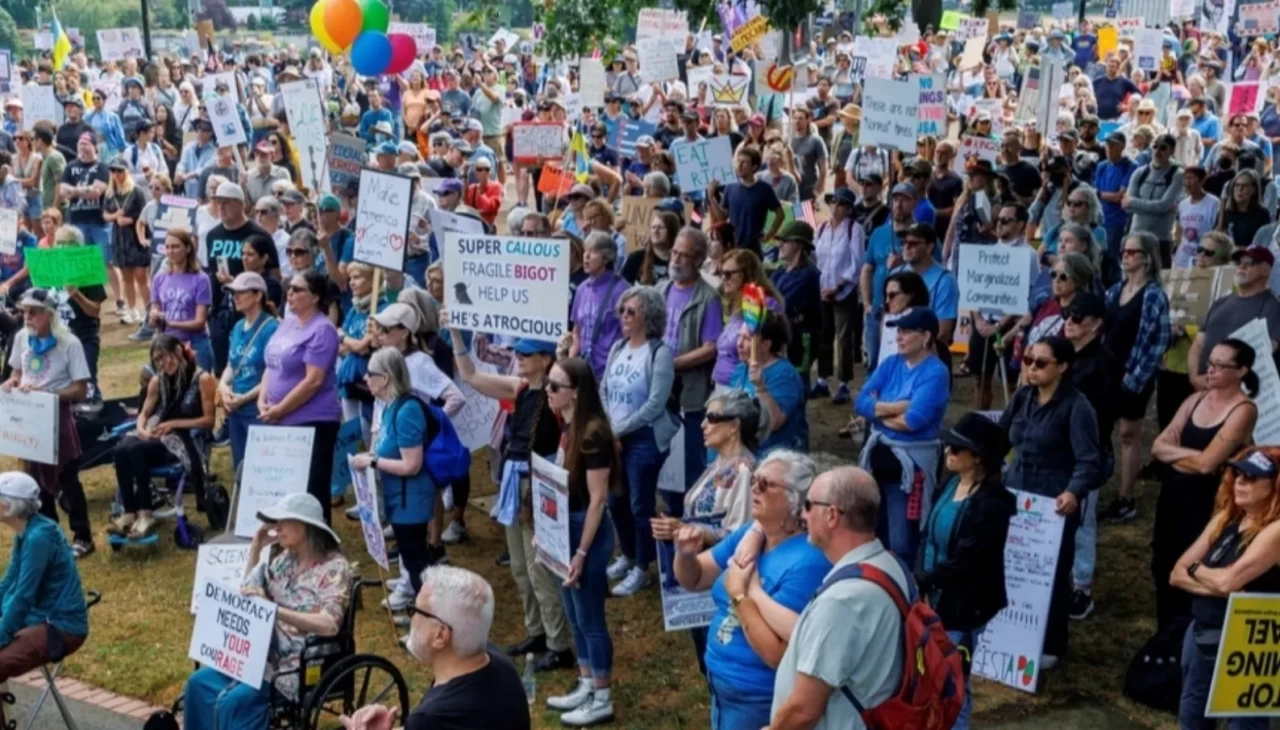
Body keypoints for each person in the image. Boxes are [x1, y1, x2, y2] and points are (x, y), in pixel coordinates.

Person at [444, 328, 573, 672]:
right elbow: (470, 376)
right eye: (520, 352)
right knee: (519, 565)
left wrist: (565, 354)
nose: (519, 357)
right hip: (515, 480)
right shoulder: (519, 388)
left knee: (539, 567)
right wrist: (457, 337)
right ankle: (537, 630)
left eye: (527, 354)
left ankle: (558, 642)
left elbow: (577, 385)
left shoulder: (556, 394)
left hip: (538, 483)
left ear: (545, 361)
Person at [672, 451, 830, 730]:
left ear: (794, 501)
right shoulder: (751, 534)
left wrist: (741, 592)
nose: (753, 488)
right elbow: (694, 579)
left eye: (766, 484)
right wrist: (684, 555)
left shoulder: (808, 561)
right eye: (755, 480)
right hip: (722, 683)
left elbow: (776, 655)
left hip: (756, 696)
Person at [183, 493, 351, 730]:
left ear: (305, 525)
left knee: (233, 703)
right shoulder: (284, 560)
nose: (276, 527)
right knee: (197, 683)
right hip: (259, 652)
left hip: (300, 663)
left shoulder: (334, 568)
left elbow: (329, 624)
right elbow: (249, 596)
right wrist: (256, 547)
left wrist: (275, 611)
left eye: (283, 521)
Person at [766, 466, 911, 729]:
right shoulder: (891, 566)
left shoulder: (842, 601)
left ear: (832, 514)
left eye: (809, 505)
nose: (802, 514)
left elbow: (804, 709)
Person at [1001, 336, 1101, 666]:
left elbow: (1089, 460)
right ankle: (1009, 629)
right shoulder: (1022, 398)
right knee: (1013, 563)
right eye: (1029, 360)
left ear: (1062, 367)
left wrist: (1073, 492)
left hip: (1052, 498)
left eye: (1041, 363)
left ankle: (1051, 643)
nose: (1031, 368)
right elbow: (1001, 438)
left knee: (1053, 571)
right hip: (1016, 488)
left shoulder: (1077, 407)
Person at [1150, 338, 1258, 631]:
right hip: (1173, 495)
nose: (1210, 370)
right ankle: (1166, 633)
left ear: (1241, 371)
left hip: (1209, 502)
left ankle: (1189, 632)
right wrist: (1197, 459)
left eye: (1220, 366)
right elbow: (1158, 446)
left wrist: (1179, 456)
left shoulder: (1242, 410)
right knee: (1162, 564)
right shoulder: (1194, 399)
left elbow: (1207, 465)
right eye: (1209, 363)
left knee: (1196, 565)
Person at [1170, 446, 1280, 730]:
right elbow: (1177, 573)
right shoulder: (1227, 517)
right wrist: (1212, 583)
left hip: (1246, 644)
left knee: (1244, 724)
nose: (1241, 482)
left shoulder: (1275, 530)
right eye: (1239, 474)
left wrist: (1199, 571)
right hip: (1202, 632)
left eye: (1253, 477)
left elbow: (1229, 580)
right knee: (1191, 717)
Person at [918, 414, 1016, 729]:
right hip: (935, 595)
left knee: (954, 681)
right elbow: (927, 534)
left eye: (957, 449)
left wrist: (927, 578)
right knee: (935, 675)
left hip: (963, 604)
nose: (948, 452)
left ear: (977, 458)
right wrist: (922, 574)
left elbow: (968, 560)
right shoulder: (949, 485)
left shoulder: (992, 504)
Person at [344, 566, 531, 730]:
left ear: (440, 635)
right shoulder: (500, 664)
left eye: (416, 610)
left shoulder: (430, 718)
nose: (411, 618)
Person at [537, 357, 620, 726]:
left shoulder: (593, 434)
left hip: (585, 530)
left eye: (555, 386)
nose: (548, 391)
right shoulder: (569, 426)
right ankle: (587, 681)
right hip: (565, 528)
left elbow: (598, 499)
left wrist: (582, 553)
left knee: (590, 617)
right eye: (548, 384)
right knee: (573, 614)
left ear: (576, 392)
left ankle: (602, 694)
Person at [0, 289, 95, 557]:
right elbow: (18, 371)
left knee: (68, 478)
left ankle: (83, 536)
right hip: (30, 418)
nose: (27, 317)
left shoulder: (69, 343)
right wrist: (13, 382)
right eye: (24, 312)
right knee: (36, 482)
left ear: (49, 315)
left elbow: (80, 389)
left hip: (57, 416)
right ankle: (52, 536)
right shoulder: (21, 338)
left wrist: (50, 394)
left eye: (33, 312)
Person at [854, 307, 949, 568]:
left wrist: (877, 413)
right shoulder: (891, 363)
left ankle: (905, 591)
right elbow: (860, 402)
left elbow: (913, 421)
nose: (899, 336)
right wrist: (900, 406)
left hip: (910, 466)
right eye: (898, 330)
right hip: (879, 458)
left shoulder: (936, 372)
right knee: (875, 529)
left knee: (901, 540)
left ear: (926, 336)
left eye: (906, 331)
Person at [600, 286, 678, 598]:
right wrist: (610, 428)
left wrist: (619, 431)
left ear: (649, 316)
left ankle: (643, 568)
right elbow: (604, 388)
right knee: (615, 500)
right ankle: (629, 556)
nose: (625, 317)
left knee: (640, 504)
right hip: (616, 434)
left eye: (632, 311)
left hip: (644, 438)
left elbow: (655, 404)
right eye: (623, 310)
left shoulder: (660, 353)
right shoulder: (619, 347)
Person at [0, 472, 88, 729]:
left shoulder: (39, 537)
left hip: (61, 627)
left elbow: (23, 597)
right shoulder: (26, 532)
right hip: (41, 619)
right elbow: (9, 583)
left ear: (9, 506)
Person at [111, 334, 216, 539]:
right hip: (156, 433)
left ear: (178, 351)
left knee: (136, 450)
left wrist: (174, 424)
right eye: (157, 360)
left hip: (183, 439)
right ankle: (129, 513)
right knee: (121, 449)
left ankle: (146, 514)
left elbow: (208, 421)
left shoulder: (202, 379)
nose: (162, 363)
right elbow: (144, 413)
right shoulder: (157, 381)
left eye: (164, 357)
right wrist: (141, 429)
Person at [258, 271, 343, 525]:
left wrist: (280, 409)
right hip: (280, 418)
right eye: (289, 288)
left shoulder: (323, 330)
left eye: (297, 289)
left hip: (313, 421)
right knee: (288, 488)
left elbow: (313, 381)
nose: (290, 293)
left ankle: (321, 545)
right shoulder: (287, 322)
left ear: (315, 297)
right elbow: (271, 364)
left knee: (312, 489)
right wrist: (263, 399)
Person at [352, 348, 435, 605]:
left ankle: (429, 615)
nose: (366, 378)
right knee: (411, 560)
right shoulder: (389, 408)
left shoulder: (407, 410)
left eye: (371, 374)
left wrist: (374, 461)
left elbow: (412, 464)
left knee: (417, 563)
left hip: (411, 502)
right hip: (399, 499)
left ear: (386, 378)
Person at [1100, 232, 1171, 524]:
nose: (1125, 255)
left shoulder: (1154, 294)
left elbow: (1160, 340)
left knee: (1129, 434)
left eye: (1131, 251)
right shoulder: (1115, 290)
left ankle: (1126, 496)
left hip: (1134, 372)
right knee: (1101, 430)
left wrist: (1136, 377)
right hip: (1106, 370)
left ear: (1146, 256)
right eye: (1123, 250)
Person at [662, 227, 723, 503]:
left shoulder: (708, 298)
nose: (675, 259)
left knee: (689, 465)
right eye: (675, 252)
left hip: (690, 394)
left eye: (683, 256)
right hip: (660, 391)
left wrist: (673, 363)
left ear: (698, 260)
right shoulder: (661, 289)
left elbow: (711, 348)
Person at [219, 272, 279, 472]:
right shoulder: (237, 327)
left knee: (262, 469)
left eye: (241, 293)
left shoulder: (271, 328)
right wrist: (222, 385)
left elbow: (272, 373)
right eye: (233, 293)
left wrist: (245, 398)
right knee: (241, 467)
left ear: (258, 296)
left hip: (258, 409)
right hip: (236, 409)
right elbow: (231, 363)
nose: (235, 297)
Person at [727, 310, 808, 455]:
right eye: (739, 336)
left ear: (765, 345)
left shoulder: (784, 374)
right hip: (748, 454)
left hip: (777, 458)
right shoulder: (741, 369)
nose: (739, 344)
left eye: (747, 339)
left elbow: (775, 422)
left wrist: (760, 387)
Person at [812, 188, 865, 404]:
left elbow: (857, 263)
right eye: (833, 202)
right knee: (824, 334)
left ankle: (844, 382)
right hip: (823, 289)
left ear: (849, 209)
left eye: (841, 204)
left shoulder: (855, 229)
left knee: (844, 337)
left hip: (844, 291)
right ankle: (823, 379)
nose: (836, 207)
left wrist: (840, 285)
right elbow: (816, 258)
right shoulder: (822, 228)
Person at [149, 229, 215, 372]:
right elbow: (154, 310)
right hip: (167, 344)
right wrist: (154, 316)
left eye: (175, 246)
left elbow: (199, 322)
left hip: (195, 343)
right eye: (167, 247)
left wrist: (171, 323)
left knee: (198, 389)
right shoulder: (159, 279)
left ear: (188, 248)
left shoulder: (200, 279)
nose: (170, 251)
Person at [771, 222, 823, 392]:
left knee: (798, 382)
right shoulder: (781, 271)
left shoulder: (809, 275)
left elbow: (781, 302)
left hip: (801, 337)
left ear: (799, 245)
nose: (780, 245)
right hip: (784, 334)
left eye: (785, 241)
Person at [569, 232, 627, 381]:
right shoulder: (582, 289)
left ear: (607, 257)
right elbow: (577, 330)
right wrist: (571, 360)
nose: (586, 256)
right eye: (585, 251)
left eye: (593, 252)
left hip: (610, 372)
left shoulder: (622, 290)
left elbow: (630, 334)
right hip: (584, 370)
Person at [707, 147, 784, 257]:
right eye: (738, 161)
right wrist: (711, 197)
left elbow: (780, 215)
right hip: (733, 246)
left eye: (744, 162)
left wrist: (769, 235)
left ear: (754, 167)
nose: (739, 165)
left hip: (754, 248)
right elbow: (722, 217)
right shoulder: (731, 186)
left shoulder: (764, 189)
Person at [1123, 133, 1182, 268]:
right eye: (1155, 147)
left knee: (1161, 282)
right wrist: (1155, 208)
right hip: (1136, 237)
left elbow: (1163, 206)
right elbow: (1127, 208)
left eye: (1163, 148)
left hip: (1160, 240)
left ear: (1172, 151)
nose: (1157, 151)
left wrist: (1133, 201)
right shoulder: (1140, 172)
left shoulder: (1177, 174)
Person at [622, 211, 678, 285]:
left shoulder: (677, 260)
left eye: (661, 227)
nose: (655, 231)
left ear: (672, 231)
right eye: (653, 227)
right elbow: (623, 287)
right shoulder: (636, 257)